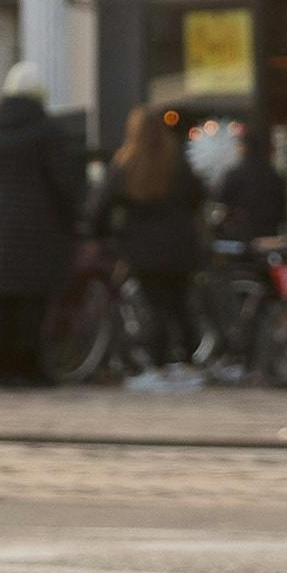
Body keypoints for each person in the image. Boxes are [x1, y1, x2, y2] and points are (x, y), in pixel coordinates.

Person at [0, 76, 83, 386]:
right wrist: (73, 218)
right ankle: (32, 370)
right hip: (38, 229)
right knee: (33, 303)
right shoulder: (48, 131)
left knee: (3, 304)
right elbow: (63, 184)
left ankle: (5, 371)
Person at [103, 107, 204, 388]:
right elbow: (197, 195)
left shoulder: (127, 162)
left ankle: (157, 366)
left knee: (154, 305)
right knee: (180, 305)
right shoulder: (176, 160)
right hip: (180, 245)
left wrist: (107, 233)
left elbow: (103, 202)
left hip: (143, 247)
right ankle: (187, 364)